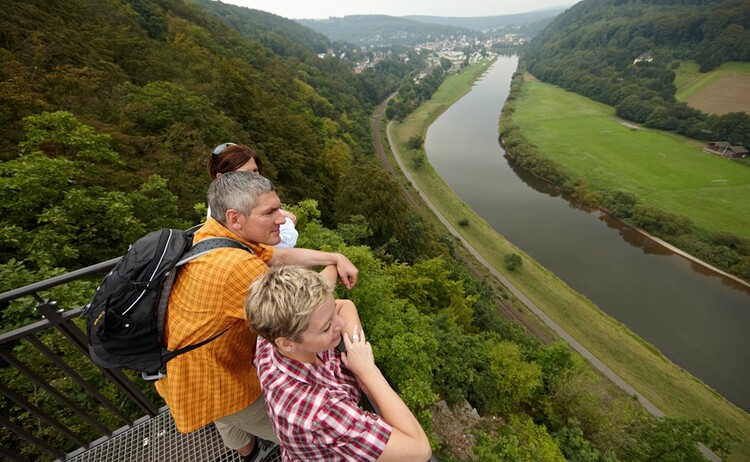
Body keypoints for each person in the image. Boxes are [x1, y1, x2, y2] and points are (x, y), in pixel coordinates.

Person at [155, 172, 358, 461]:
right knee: (307, 437)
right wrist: (334, 270)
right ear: (236, 217)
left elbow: (277, 257)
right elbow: (308, 306)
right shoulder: (237, 267)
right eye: (270, 212)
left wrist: (332, 256)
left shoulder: (213, 235)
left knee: (227, 421)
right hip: (218, 381)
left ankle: (248, 453)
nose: (283, 218)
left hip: (185, 369)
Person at [245, 265, 432, 462]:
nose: (340, 324)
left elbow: (345, 306)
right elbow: (419, 450)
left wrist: (353, 351)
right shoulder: (321, 413)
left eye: (332, 311)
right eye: (326, 327)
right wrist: (367, 371)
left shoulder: (270, 337)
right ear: (287, 343)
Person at [208, 142, 299, 249]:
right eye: (244, 174)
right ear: (221, 177)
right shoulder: (226, 211)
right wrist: (288, 223)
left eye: (255, 171)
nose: (254, 177)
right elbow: (281, 246)